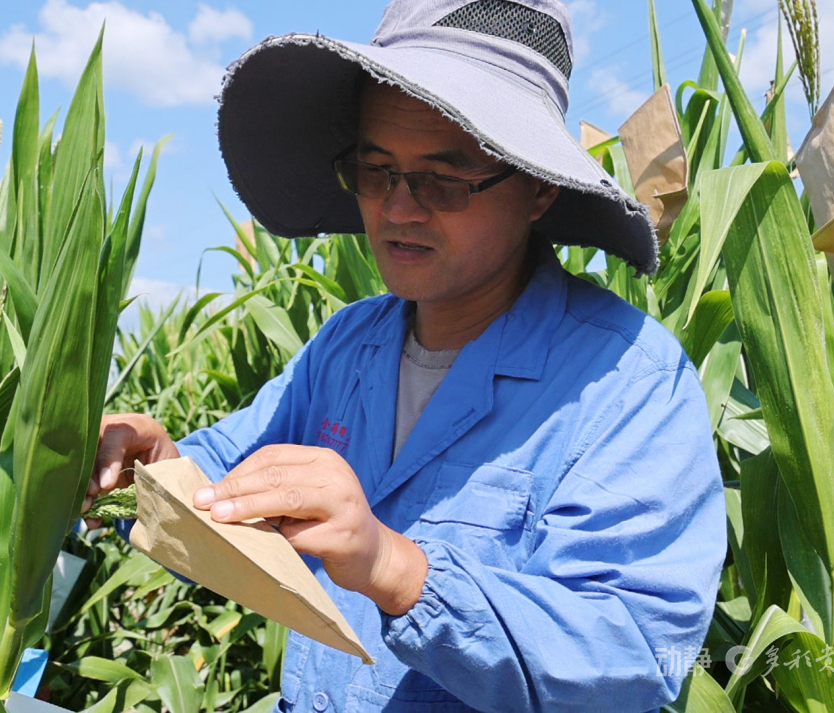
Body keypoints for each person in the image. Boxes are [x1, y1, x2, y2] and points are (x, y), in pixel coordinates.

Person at [86, 1, 725, 710]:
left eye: (443, 180)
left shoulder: (627, 382)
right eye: (375, 170)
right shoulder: (346, 348)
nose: (397, 210)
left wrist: (394, 567)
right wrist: (158, 468)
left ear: (538, 187)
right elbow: (231, 473)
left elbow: (636, 653)